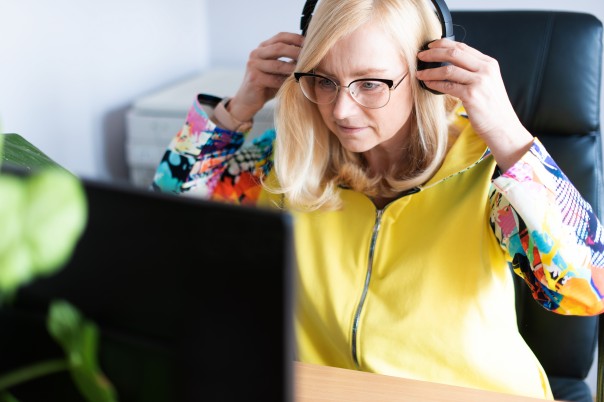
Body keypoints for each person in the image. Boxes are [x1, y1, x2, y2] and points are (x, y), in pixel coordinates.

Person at [152, 0, 604, 399]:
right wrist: (239, 107)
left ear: (428, 77)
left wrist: (507, 133)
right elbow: (169, 222)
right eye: (324, 80)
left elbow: (585, 290)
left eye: (370, 83)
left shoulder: (489, 172)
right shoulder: (292, 160)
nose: (341, 110)